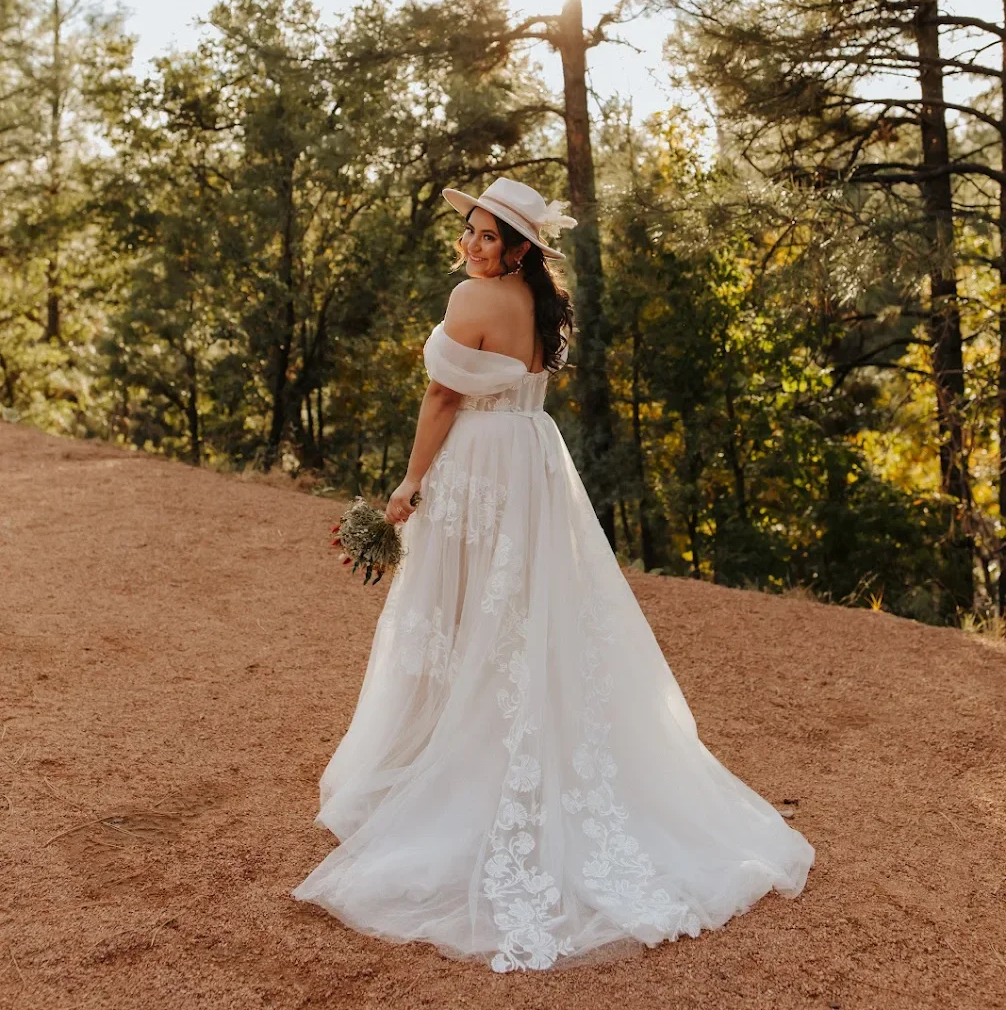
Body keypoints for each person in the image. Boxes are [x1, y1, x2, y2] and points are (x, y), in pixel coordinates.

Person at [291, 176, 814, 973]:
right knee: (523, 609)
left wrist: (408, 483)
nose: (473, 244)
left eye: (489, 236)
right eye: (471, 230)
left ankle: (454, 763)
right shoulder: (538, 305)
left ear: (521, 247)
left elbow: (439, 395)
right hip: (532, 460)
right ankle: (488, 739)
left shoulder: (474, 299)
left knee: (466, 611)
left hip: (482, 463)